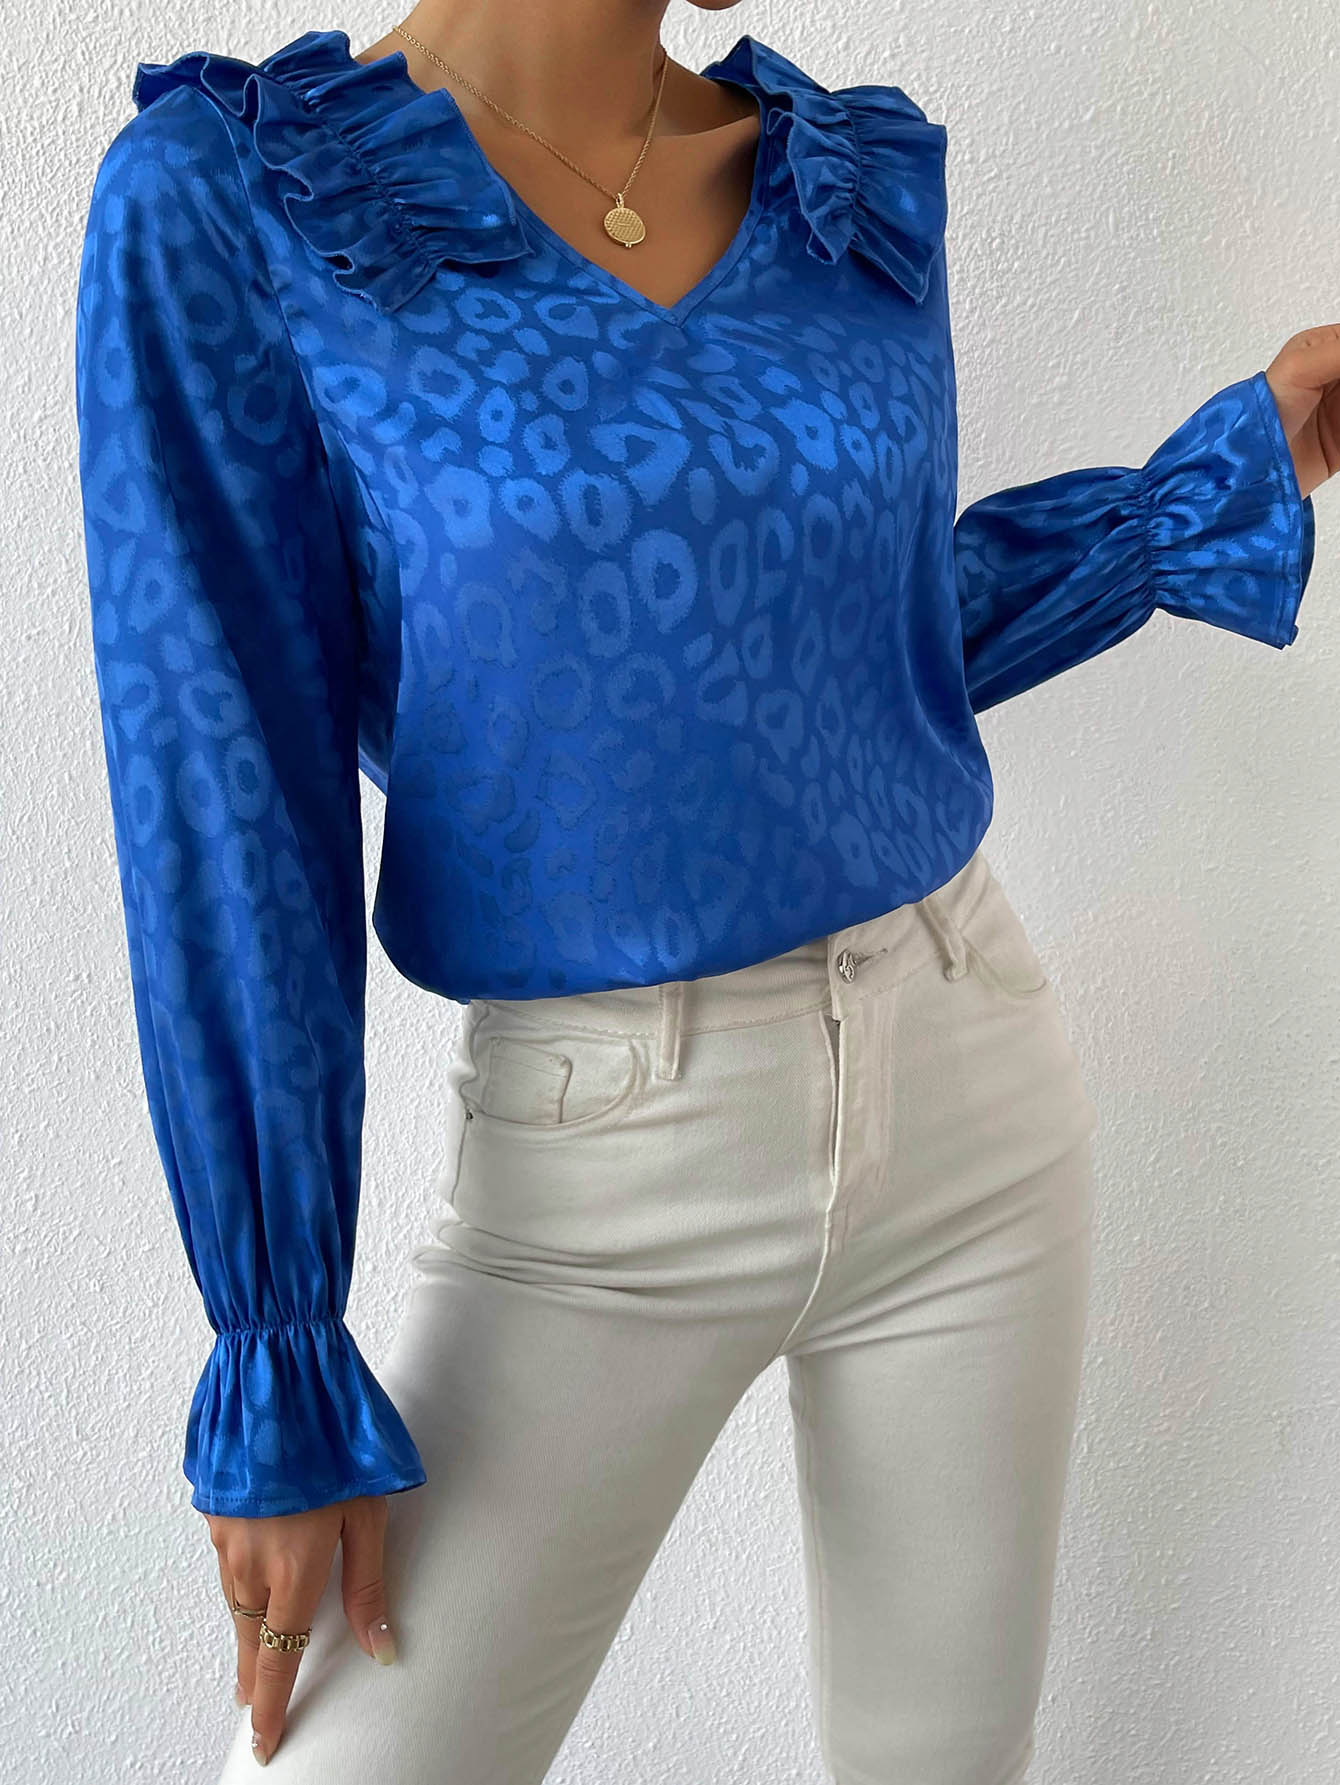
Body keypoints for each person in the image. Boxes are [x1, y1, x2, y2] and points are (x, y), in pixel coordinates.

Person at [73, 1, 1332, 1776]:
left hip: (968, 1084)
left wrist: (1217, 480)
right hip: (598, 1163)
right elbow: (222, 784)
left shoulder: (844, 188)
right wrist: (275, 1345)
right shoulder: (236, 200)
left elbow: (863, 658)